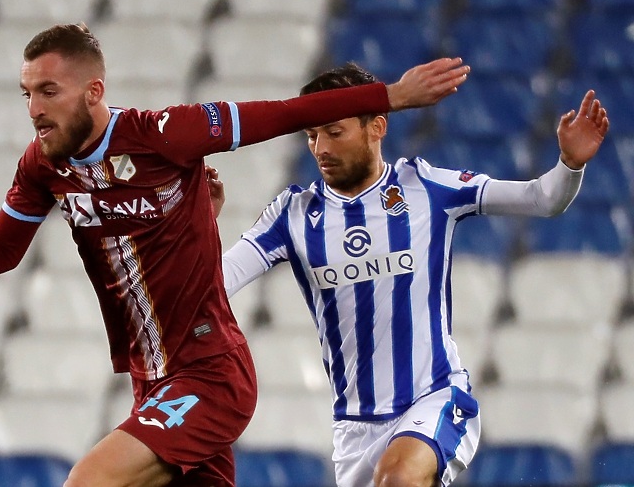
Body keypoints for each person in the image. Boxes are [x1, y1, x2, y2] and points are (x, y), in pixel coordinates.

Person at [0, 23, 471, 487]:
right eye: (26, 94)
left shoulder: (163, 134)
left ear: (93, 92)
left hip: (209, 374)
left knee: (89, 483)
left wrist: (389, 96)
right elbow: (2, 245)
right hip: (152, 379)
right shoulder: (43, 165)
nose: (34, 109)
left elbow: (277, 115)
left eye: (48, 92)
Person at [212, 62, 609, 487]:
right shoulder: (291, 214)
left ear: (376, 127)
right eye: (311, 135)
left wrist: (569, 164)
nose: (320, 147)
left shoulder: (426, 187)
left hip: (434, 396)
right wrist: (201, 226)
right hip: (354, 427)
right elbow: (216, 282)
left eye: (334, 132)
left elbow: (541, 198)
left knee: (399, 477)